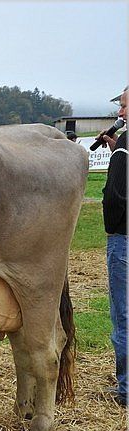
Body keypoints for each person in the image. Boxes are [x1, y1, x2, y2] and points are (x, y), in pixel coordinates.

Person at [100, 86, 127, 407]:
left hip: (124, 239)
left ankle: (127, 388)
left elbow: (116, 197)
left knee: (124, 317)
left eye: (124, 106)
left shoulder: (125, 148)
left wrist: (112, 227)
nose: (120, 113)